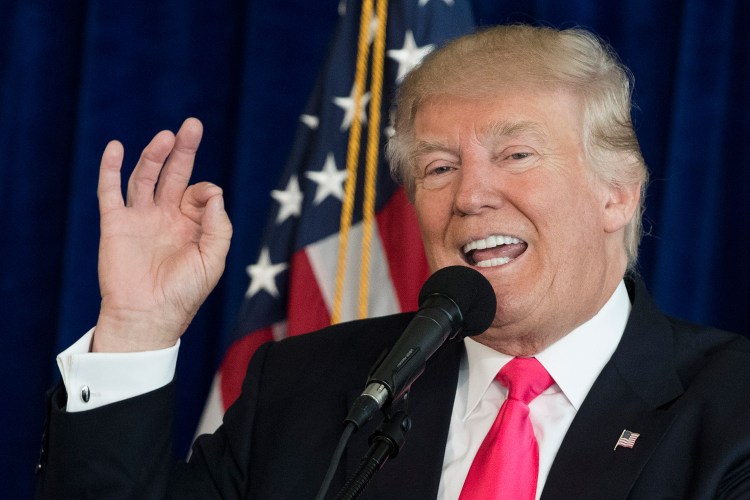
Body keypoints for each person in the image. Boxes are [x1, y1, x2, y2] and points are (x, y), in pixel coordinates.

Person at [36, 24, 750, 499]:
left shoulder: (731, 410)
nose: (469, 195)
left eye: (516, 155)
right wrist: (136, 326)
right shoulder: (307, 391)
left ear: (616, 194)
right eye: (438, 168)